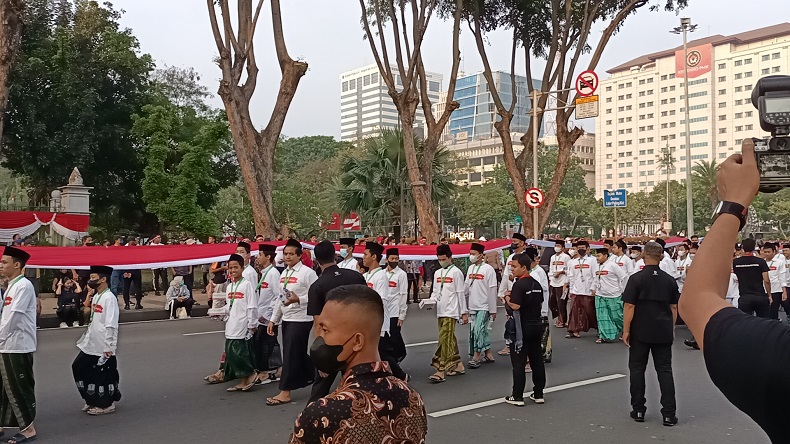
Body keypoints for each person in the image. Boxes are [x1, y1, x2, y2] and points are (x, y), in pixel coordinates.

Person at [679, 139, 790, 443]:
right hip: (755, 299)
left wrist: (735, 203)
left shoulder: (779, 358)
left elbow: (698, 298)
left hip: (749, 301)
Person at [289, 285, 427, 443]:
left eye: (325, 330)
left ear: (357, 341)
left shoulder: (321, 414)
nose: (318, 337)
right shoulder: (412, 398)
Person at [622, 241, 679, 426]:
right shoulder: (669, 280)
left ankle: (638, 409)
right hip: (663, 330)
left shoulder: (636, 278)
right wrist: (671, 328)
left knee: (637, 369)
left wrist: (626, 330)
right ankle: (669, 413)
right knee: (664, 370)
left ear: (644, 255)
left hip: (640, 330)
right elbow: (674, 307)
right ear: (661, 256)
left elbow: (629, 305)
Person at [305, 241, 365, 404]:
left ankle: (312, 422)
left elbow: (318, 324)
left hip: (332, 343)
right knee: (359, 388)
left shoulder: (317, 286)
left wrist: (320, 358)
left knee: (319, 392)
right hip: (357, 341)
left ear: (316, 260)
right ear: (335, 255)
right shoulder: (356, 277)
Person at [267, 239, 318, 406]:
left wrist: (299, 299)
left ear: (299, 255)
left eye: (291, 254)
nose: (287, 257)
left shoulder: (307, 273)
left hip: (301, 319)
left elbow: (317, 295)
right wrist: (273, 320)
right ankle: (319, 371)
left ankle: (285, 392)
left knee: (290, 354)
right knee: (297, 353)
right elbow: (280, 298)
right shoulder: (284, 273)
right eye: (285, 254)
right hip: (287, 318)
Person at [72, 265, 122, 416]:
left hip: (103, 345)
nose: (90, 280)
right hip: (91, 342)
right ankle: (91, 399)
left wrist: (109, 346)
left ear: (103, 279)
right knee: (79, 367)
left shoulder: (109, 298)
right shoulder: (97, 295)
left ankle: (106, 404)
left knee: (102, 376)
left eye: (93, 278)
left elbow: (111, 324)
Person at [0, 247, 39, 442]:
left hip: (17, 344)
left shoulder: (23, 286)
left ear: (17, 265)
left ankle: (28, 427)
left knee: (19, 386)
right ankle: (2, 423)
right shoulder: (11, 286)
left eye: (5, 262)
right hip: (5, 344)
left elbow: (13, 319)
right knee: (4, 386)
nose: (1, 265)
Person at [504, 254, 546, 406]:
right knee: (537, 361)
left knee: (519, 362)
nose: (512, 269)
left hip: (522, 328)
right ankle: (539, 393)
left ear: (523, 267)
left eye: (514, 266)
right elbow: (539, 303)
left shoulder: (519, 285)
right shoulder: (536, 284)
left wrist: (506, 297)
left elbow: (515, 306)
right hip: (536, 325)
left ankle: (517, 396)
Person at [362, 242, 407, 381]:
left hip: (378, 321)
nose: (363, 257)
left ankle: (401, 376)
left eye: (365, 254)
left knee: (383, 351)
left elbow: (381, 300)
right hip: (367, 320)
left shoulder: (381, 276)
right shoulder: (366, 276)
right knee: (375, 351)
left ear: (374, 257)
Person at [427, 244, 468, 383]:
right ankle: (459, 365)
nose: (441, 261)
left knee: (444, 338)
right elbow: (435, 291)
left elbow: (460, 293)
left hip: (452, 311)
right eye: (439, 259)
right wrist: (430, 301)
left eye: (444, 259)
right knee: (449, 338)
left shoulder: (456, 272)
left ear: (450, 258)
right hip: (440, 310)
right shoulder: (437, 273)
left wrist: (464, 312)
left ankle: (441, 370)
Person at [218, 254, 259, 392]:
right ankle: (243, 380)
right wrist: (221, 313)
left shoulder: (247, 285)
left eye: (236, 267)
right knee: (230, 352)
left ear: (242, 268)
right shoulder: (230, 286)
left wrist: (252, 325)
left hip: (242, 323)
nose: (233, 270)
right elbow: (229, 305)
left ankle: (250, 373)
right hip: (231, 323)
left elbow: (252, 306)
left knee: (237, 352)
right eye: (230, 268)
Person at [253, 244, 283, 385]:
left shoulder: (273, 274)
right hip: (261, 316)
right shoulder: (264, 272)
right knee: (270, 343)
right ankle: (278, 369)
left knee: (265, 344)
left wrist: (271, 316)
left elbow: (278, 296)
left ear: (268, 257)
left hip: (268, 318)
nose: (258, 257)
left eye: (260, 254)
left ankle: (264, 372)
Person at [466, 242, 497, 368]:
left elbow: (492, 290)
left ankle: (476, 356)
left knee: (478, 330)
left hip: (484, 306)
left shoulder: (488, 269)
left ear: (481, 255)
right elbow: (466, 287)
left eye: (473, 254)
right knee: (475, 331)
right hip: (472, 305)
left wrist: (493, 309)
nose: (471, 256)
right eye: (470, 254)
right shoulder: (470, 268)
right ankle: (488, 353)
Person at [496, 233, 527, 355]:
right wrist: (501, 292)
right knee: (510, 319)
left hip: (522, 294)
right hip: (510, 293)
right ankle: (509, 344)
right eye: (512, 240)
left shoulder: (525, 257)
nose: (513, 243)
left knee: (521, 320)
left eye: (516, 241)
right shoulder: (511, 257)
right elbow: (505, 276)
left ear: (522, 243)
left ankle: (522, 345)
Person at [591, 248, 627, 343]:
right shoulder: (596, 266)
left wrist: (623, 290)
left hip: (614, 295)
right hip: (600, 295)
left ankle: (626, 330)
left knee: (617, 316)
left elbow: (624, 277)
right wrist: (593, 288)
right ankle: (604, 336)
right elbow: (595, 278)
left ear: (605, 256)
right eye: (596, 256)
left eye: (598, 256)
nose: (597, 258)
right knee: (602, 317)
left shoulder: (613, 266)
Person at [732, 237, 771, 318]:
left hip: (744, 297)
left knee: (746, 323)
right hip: (760, 296)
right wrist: (769, 295)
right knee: (764, 321)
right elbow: (766, 280)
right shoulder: (761, 261)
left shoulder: (736, 262)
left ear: (742, 248)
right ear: (754, 248)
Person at [566, 241, 597, 339]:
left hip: (588, 290)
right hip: (576, 290)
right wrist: (571, 290)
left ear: (588, 248)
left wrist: (593, 288)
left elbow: (595, 275)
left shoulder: (593, 261)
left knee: (589, 311)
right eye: (578, 247)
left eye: (583, 247)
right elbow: (571, 277)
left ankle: (598, 327)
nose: (580, 249)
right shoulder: (573, 262)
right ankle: (574, 330)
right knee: (574, 311)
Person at [384, 248, 409, 369]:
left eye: (397, 259)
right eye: (392, 259)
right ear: (387, 259)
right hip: (384, 311)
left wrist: (402, 314)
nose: (394, 261)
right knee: (385, 338)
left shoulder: (401, 274)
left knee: (395, 336)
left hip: (395, 311)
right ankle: (391, 363)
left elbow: (403, 294)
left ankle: (399, 355)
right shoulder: (382, 274)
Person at [761, 242, 787, 320]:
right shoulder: (761, 262)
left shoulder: (779, 262)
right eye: (765, 252)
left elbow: (782, 276)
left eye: (769, 252)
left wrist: (784, 291)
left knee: (774, 310)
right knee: (764, 311)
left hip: (776, 290)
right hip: (763, 290)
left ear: (774, 252)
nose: (767, 254)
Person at [548, 240, 570, 328]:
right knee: (553, 302)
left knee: (561, 302)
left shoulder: (566, 257)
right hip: (553, 282)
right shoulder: (552, 257)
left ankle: (562, 320)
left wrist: (561, 272)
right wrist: (550, 279)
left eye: (559, 246)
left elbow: (568, 269)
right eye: (556, 245)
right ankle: (557, 317)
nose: (557, 247)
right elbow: (550, 268)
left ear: (563, 248)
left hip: (562, 282)